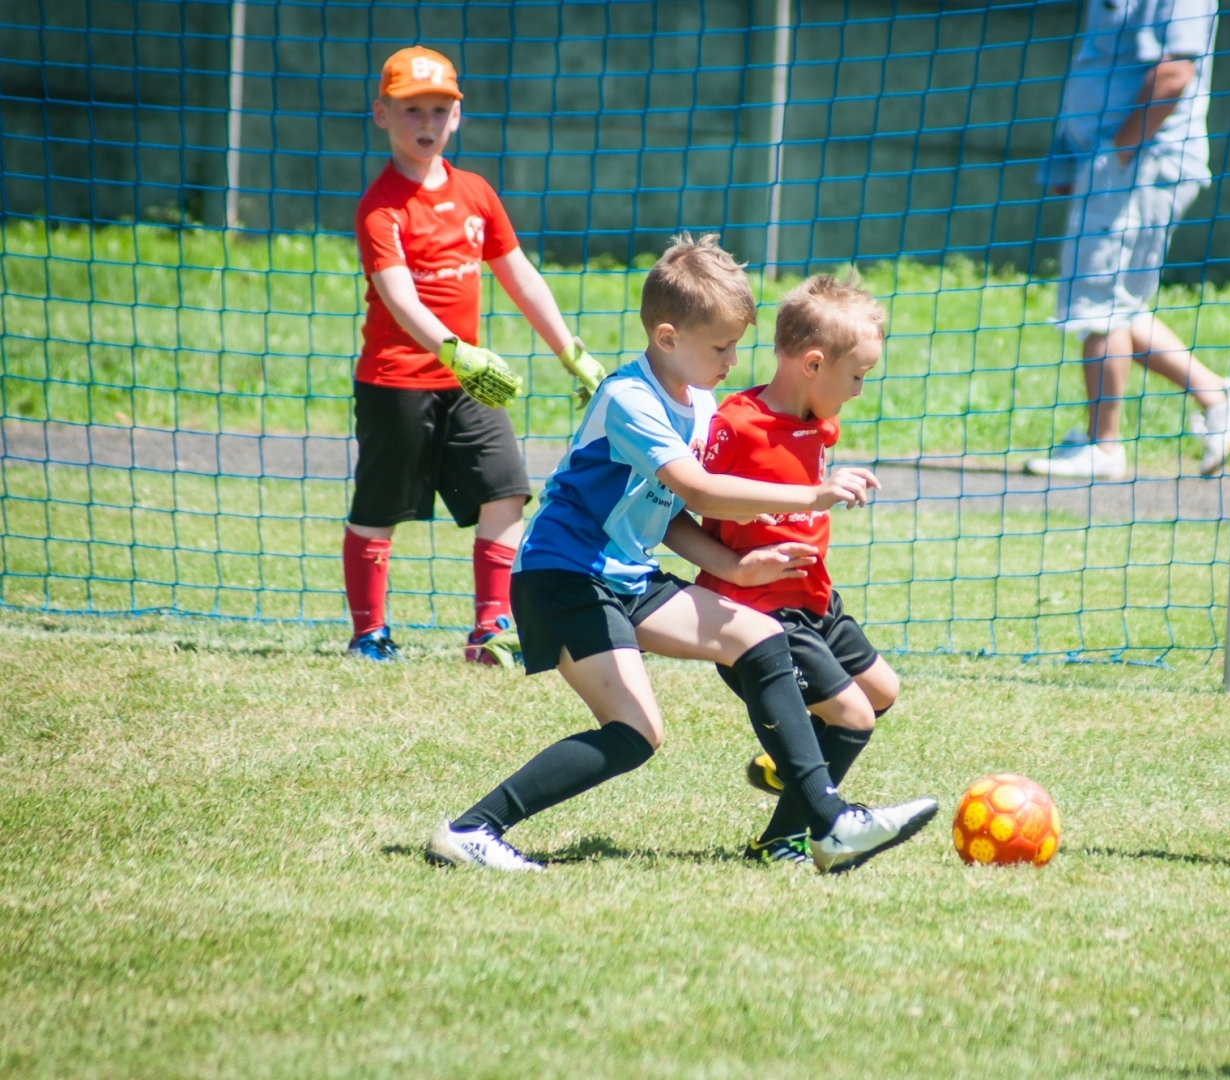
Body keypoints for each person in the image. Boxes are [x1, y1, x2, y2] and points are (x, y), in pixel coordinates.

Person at [424, 234, 938, 875]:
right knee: (636, 733)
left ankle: (826, 825)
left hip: (626, 576)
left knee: (758, 636)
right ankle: (472, 829)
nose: (731, 360)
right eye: (721, 346)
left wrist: (731, 569)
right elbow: (697, 490)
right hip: (566, 576)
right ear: (668, 338)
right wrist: (812, 492)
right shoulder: (630, 399)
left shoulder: (697, 404)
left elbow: (669, 517)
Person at [345, 46, 607, 664]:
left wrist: (572, 352)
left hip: (469, 385)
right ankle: (369, 634)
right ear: (382, 113)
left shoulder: (476, 194)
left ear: (457, 117)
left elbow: (520, 277)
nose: (426, 122)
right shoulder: (380, 207)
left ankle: (489, 631)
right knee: (379, 509)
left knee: (506, 492)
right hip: (396, 382)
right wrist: (456, 352)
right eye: (411, 109)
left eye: (439, 109)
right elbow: (398, 298)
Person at [668, 274, 899, 864]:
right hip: (761, 611)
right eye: (857, 376)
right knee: (850, 715)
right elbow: (685, 505)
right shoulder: (735, 426)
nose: (860, 390)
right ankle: (782, 838)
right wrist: (742, 561)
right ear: (814, 364)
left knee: (880, 692)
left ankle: (791, 767)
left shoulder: (820, 420)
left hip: (814, 598)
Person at [1026, 0, 1230, 481]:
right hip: (1109, 162)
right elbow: (1101, 65)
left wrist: (1115, 155)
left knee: (1100, 304)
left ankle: (1104, 446)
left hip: (1137, 163)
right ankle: (1215, 395)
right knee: (1113, 303)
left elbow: (1173, 74)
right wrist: (1072, 156)